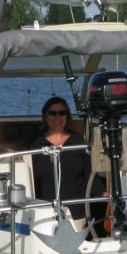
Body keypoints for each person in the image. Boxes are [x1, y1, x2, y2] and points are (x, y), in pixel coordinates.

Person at [29, 96, 98, 227]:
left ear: (67, 116)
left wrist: (103, 194)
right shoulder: (35, 145)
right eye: (52, 113)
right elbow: (31, 178)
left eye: (62, 113)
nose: (57, 117)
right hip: (45, 213)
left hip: (77, 212)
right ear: (45, 116)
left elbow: (90, 173)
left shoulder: (78, 142)